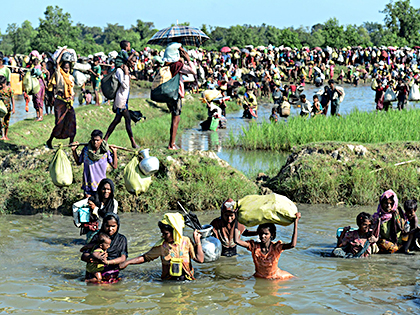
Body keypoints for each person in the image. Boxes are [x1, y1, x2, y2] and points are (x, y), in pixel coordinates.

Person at [119, 213, 204, 281]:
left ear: (175, 231)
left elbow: (200, 259)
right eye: (162, 233)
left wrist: (198, 242)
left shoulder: (186, 241)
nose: (163, 236)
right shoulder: (161, 246)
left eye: (165, 233)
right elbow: (145, 257)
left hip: (187, 281)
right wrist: (127, 262)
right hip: (168, 282)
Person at [234, 213, 301, 280]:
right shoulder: (254, 246)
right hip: (259, 276)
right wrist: (236, 219)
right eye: (261, 233)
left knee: (297, 280)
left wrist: (296, 223)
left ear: (272, 235)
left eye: (266, 234)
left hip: (276, 277)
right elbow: (237, 240)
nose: (263, 236)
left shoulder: (276, 247)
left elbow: (292, 245)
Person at [163, 42, 197, 150]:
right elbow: (193, 71)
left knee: (176, 117)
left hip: (168, 93)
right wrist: (188, 59)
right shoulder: (178, 65)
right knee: (176, 118)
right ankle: (171, 144)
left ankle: (172, 143)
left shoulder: (167, 65)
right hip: (176, 93)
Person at [104, 46, 139, 148]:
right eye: (133, 62)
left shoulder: (124, 71)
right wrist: (127, 74)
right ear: (128, 61)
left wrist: (129, 75)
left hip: (124, 100)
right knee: (126, 120)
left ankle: (105, 139)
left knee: (117, 121)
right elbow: (124, 85)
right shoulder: (120, 70)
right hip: (120, 101)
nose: (134, 64)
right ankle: (133, 143)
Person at [81, 213, 127, 283]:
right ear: (103, 225)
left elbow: (123, 258)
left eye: (113, 226)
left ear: (118, 226)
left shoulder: (121, 239)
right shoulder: (98, 237)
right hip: (94, 272)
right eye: (107, 226)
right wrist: (92, 257)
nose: (110, 229)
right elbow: (83, 255)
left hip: (111, 273)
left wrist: (108, 262)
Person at [71, 130, 118, 197]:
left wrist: (114, 152)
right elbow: (78, 162)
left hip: (101, 186)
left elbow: (114, 166)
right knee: (89, 204)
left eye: (97, 140)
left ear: (101, 140)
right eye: (93, 140)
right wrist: (74, 151)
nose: (95, 142)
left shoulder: (105, 151)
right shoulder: (86, 150)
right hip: (88, 185)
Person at [46, 50, 76, 149]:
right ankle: (49, 141)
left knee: (71, 122)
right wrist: (63, 51)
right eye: (65, 68)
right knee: (59, 123)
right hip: (60, 102)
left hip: (68, 102)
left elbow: (72, 90)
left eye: (68, 68)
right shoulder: (59, 75)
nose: (66, 70)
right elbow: (57, 63)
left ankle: (71, 142)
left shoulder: (71, 77)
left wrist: (72, 98)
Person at [373, 189, 405, 254]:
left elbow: (403, 228)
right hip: (384, 242)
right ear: (382, 203)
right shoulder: (378, 217)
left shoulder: (399, 214)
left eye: (391, 203)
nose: (388, 206)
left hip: (397, 242)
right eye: (386, 203)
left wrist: (397, 217)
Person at [0, 75, 15, 140]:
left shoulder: (10, 89)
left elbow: (12, 99)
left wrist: (13, 108)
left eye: (1, 84)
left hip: (8, 107)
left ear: (5, 82)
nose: (0, 86)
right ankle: (2, 135)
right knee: (1, 121)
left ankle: (5, 135)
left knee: (7, 121)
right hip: (1, 108)